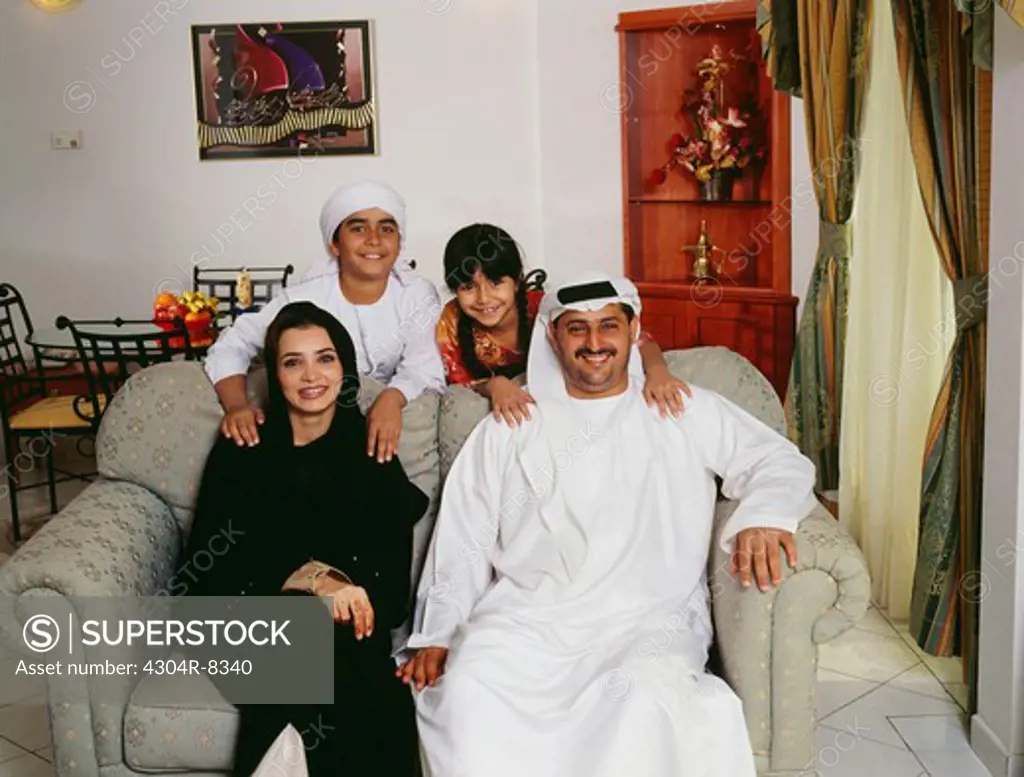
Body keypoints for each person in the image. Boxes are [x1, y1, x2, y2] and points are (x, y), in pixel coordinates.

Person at [397, 274, 818, 777]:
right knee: (468, 693)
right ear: (554, 336)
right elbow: (464, 535)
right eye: (577, 329)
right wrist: (438, 631)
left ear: (633, 331)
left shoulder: (679, 407)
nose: (594, 343)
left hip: (645, 621)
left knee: (640, 705)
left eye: (608, 327)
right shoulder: (511, 424)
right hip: (525, 620)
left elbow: (777, 460)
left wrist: (763, 518)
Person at [185, 301, 428, 777]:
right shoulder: (245, 447)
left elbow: (390, 592)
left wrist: (343, 594)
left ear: (345, 367)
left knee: (354, 662)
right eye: (293, 362)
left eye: (326, 358)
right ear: (275, 374)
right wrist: (311, 580)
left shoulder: (370, 450)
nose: (311, 375)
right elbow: (207, 571)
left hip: (345, 633)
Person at [203, 181, 446, 463]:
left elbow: (424, 367)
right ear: (334, 243)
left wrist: (392, 398)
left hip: (389, 432)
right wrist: (237, 406)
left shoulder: (417, 294)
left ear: (399, 242)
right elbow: (231, 346)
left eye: (386, 228)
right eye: (358, 228)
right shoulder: (304, 298)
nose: (374, 239)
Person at [436, 223, 690, 425]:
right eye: (468, 287)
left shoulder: (547, 310)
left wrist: (658, 372)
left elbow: (638, 340)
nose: (483, 299)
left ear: (517, 280)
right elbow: (456, 387)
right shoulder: (451, 322)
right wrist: (494, 385)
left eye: (495, 283)